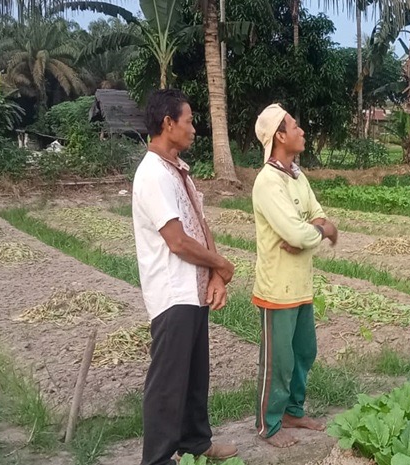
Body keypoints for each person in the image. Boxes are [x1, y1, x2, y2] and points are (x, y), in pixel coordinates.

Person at [132, 89, 238, 465]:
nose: (194, 128)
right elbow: (177, 241)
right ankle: (158, 459)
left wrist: (215, 275)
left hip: (193, 290)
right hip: (172, 291)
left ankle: (195, 441)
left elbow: (200, 224)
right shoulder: (152, 175)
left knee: (195, 374)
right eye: (189, 120)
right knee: (168, 382)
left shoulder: (178, 172)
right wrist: (222, 263)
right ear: (168, 123)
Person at [251, 103, 338, 448]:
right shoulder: (267, 182)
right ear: (280, 136)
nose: (302, 131)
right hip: (276, 288)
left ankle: (293, 410)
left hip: (301, 284)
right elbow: (299, 233)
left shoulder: (297, 177)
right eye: (295, 126)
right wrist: (316, 232)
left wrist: (312, 232)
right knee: (279, 361)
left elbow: (317, 220)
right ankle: (268, 424)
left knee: (304, 351)